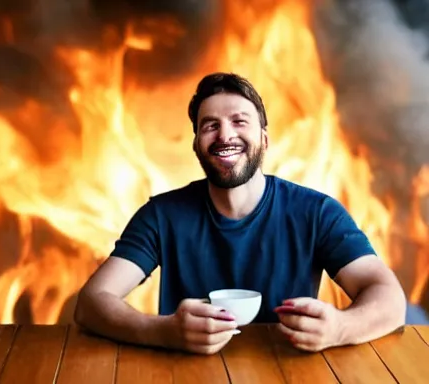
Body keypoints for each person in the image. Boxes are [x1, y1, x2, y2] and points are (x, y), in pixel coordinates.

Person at [74, 72, 406, 354]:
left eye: (239, 121)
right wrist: (163, 332)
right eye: (210, 126)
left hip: (288, 371)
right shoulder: (162, 215)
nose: (225, 135)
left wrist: (341, 328)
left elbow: (389, 298)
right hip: (183, 372)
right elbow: (92, 302)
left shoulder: (317, 212)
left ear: (264, 139)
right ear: (196, 145)